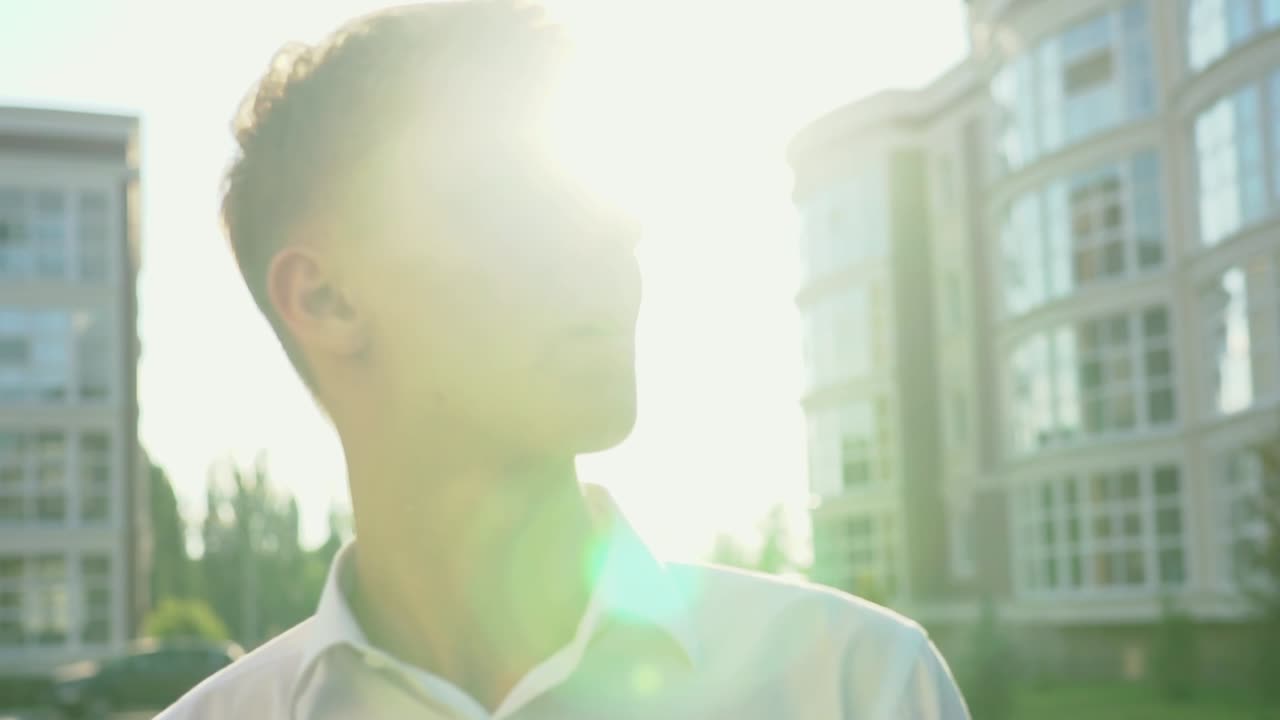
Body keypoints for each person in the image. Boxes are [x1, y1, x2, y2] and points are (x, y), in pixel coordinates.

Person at [158, 2, 970, 718]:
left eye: (600, 191)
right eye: (520, 194)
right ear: (327, 299)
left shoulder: (856, 687)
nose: (616, 235)